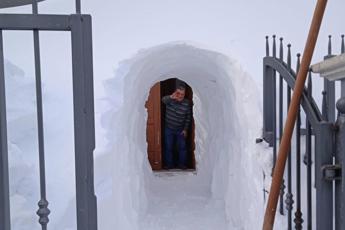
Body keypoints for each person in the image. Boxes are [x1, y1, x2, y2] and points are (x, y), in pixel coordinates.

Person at [161, 81, 191, 170]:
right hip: (169, 128)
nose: (181, 95)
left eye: (183, 94)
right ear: (175, 92)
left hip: (180, 129)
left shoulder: (187, 103)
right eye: (179, 93)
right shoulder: (170, 100)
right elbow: (163, 100)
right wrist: (171, 97)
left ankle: (182, 165)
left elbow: (188, 118)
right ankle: (169, 165)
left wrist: (185, 129)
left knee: (182, 148)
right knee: (168, 147)